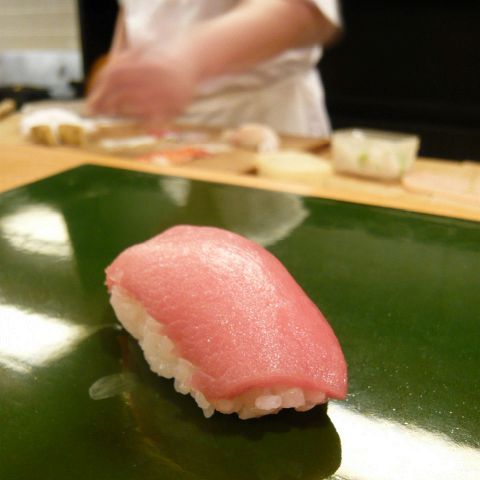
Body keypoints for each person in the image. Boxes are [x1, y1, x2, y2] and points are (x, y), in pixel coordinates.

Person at [87, 0, 341, 137]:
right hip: (162, 133)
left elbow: (304, 12)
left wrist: (183, 60)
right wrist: (122, 69)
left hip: (262, 125)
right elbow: (139, 14)